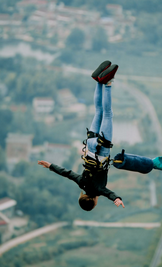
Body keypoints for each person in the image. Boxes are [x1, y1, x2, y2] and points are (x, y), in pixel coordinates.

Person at [38, 60, 125, 211]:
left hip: (101, 149)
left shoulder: (98, 189)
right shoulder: (81, 182)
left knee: (108, 114)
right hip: (90, 146)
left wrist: (117, 199)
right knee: (98, 111)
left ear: (93, 202)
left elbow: (109, 193)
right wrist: (50, 166)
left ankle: (108, 82)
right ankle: (99, 81)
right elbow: (66, 173)